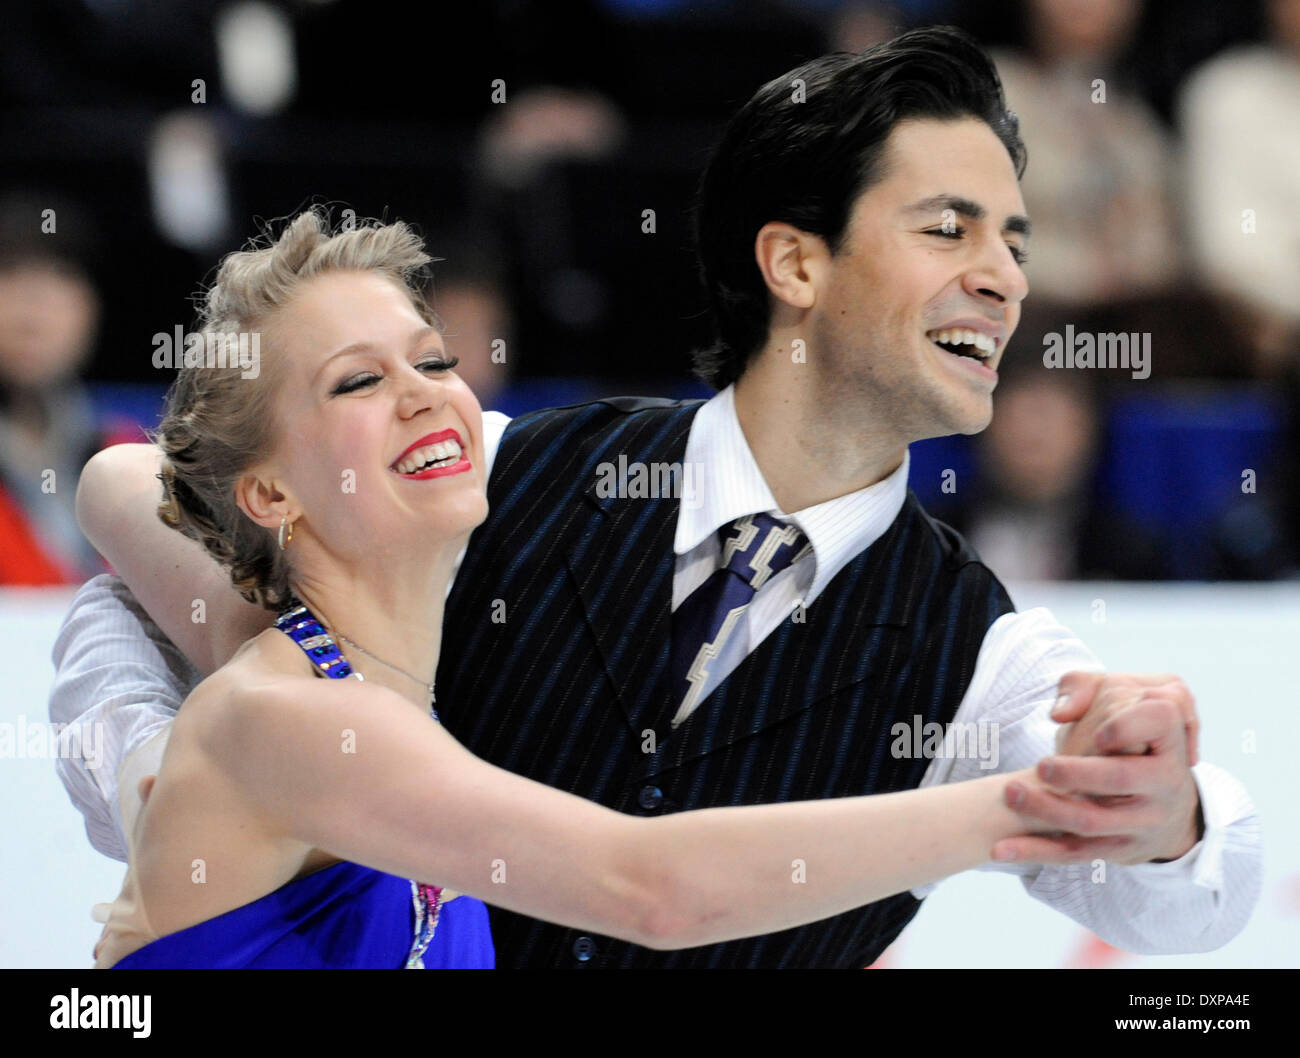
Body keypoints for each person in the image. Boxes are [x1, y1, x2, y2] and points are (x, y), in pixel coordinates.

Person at [55, 26, 1260, 969]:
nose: (1003, 279)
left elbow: (1199, 884)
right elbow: (139, 503)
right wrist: (167, 751)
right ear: (793, 260)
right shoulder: (483, 476)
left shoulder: (982, 653)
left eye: (1016, 241)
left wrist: (1154, 805)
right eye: (949, 229)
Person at [75, 208, 1086, 969]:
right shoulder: (292, 714)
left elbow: (119, 488)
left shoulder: (358, 692)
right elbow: (647, 887)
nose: (425, 390)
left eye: (432, 359)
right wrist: (1021, 806)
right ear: (267, 487)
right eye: (356, 381)